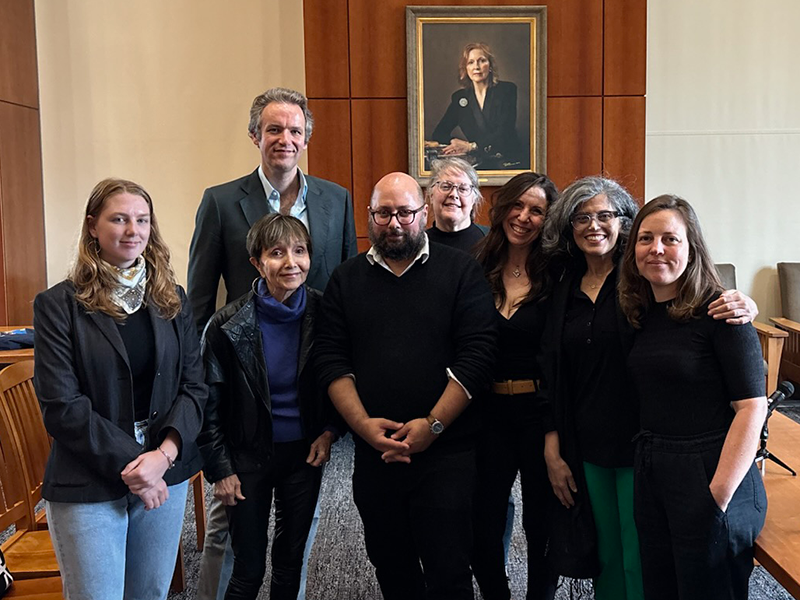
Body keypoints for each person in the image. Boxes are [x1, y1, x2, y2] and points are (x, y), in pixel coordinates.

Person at [539, 178, 760, 599]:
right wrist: (554, 439)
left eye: (605, 215)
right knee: (617, 557)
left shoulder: (660, 293)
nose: (593, 225)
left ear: (624, 223)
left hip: (651, 444)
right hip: (595, 442)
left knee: (651, 563)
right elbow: (552, 366)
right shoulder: (582, 288)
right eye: (582, 217)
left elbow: (747, 398)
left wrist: (746, 304)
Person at [189, 87, 357, 600]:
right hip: (240, 393)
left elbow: (345, 287)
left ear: (307, 137)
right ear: (255, 135)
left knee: (294, 541)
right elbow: (199, 300)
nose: (285, 139)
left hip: (301, 381)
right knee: (230, 532)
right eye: (274, 129)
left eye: (294, 130)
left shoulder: (335, 198)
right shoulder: (220, 201)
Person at [315, 172, 497, 600]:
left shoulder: (463, 271)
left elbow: (478, 357)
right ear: (370, 216)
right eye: (383, 213)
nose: (394, 223)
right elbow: (330, 359)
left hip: (447, 451)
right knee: (390, 564)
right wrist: (362, 427)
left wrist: (431, 427)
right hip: (374, 452)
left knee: (449, 567)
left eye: (405, 212)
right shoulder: (346, 279)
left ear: (424, 213)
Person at [32, 178, 207, 600]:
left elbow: (195, 387)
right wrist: (139, 464)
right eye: (120, 219)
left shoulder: (171, 299)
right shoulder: (58, 306)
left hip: (165, 468)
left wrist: (162, 457)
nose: (133, 230)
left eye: (142, 220)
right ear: (93, 226)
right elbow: (62, 407)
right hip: (87, 474)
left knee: (149, 594)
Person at [619, 195, 767, 600]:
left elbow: (752, 408)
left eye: (670, 238)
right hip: (654, 468)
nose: (657, 248)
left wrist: (716, 498)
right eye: (645, 239)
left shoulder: (723, 313)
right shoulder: (641, 313)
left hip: (713, 471)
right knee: (661, 588)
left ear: (692, 247)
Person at [197, 213, 338, 600]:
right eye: (277, 253)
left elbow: (341, 383)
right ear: (257, 263)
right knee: (248, 567)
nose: (291, 263)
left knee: (291, 560)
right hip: (246, 458)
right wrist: (220, 469)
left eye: (300, 251)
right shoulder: (227, 324)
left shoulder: (326, 315)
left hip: (304, 455)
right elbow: (207, 406)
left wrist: (329, 431)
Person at [471, 172, 559, 600]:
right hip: (486, 414)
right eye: (516, 206)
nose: (523, 217)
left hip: (540, 413)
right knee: (482, 525)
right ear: (501, 207)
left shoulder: (560, 272)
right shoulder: (476, 266)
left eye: (537, 210)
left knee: (542, 525)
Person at [428, 43, 524, 169]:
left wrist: (470, 146)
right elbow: (439, 133)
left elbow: (505, 131)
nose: (476, 67)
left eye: (482, 61)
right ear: (465, 68)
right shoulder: (460, 98)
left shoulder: (507, 90)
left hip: (508, 161)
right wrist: (455, 144)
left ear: (490, 66)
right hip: (479, 163)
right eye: (471, 62)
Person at [425, 157, 488, 253]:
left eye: (463, 189)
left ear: (474, 199)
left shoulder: (491, 241)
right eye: (446, 186)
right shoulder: (419, 244)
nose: (454, 194)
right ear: (431, 195)